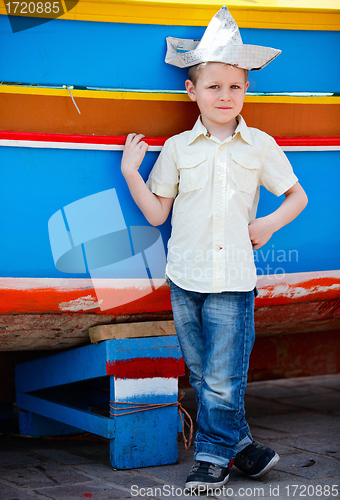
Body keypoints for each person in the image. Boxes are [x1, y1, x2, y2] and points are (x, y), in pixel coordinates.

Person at [121, 6, 308, 492]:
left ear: (246, 88)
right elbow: (158, 214)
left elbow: (297, 196)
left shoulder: (259, 145)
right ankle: (243, 447)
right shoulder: (180, 148)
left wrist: (267, 224)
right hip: (185, 277)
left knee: (223, 378)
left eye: (235, 87)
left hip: (231, 281)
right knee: (205, 376)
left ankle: (212, 458)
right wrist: (130, 174)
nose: (225, 96)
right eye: (213, 86)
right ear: (192, 90)